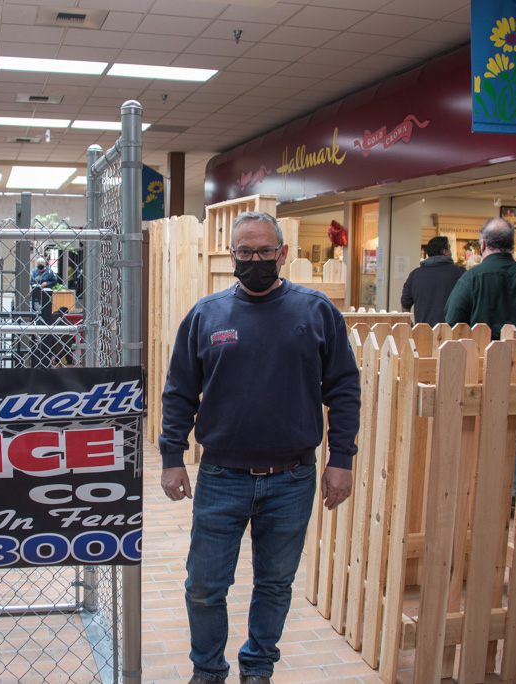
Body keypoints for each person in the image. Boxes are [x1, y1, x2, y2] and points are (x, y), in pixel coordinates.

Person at [158, 211, 361, 684]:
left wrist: (342, 459)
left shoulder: (316, 312)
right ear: (232, 255)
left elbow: (344, 388)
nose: (255, 260)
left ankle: (258, 668)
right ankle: (208, 671)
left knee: (274, 584)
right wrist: (172, 458)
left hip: (292, 478)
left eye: (264, 251)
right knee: (205, 587)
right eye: (245, 252)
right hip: (221, 477)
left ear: (283, 253)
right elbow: (179, 392)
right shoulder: (206, 316)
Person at [444, 217, 516, 345]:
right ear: (511, 245)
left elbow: (453, 322)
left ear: (483, 244)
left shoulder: (469, 279)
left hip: (481, 354)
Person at [400, 236, 464, 326]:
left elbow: (405, 306)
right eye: (449, 249)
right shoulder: (460, 273)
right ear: (444, 251)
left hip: (423, 334)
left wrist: (413, 328)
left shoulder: (415, 275)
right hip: (452, 333)